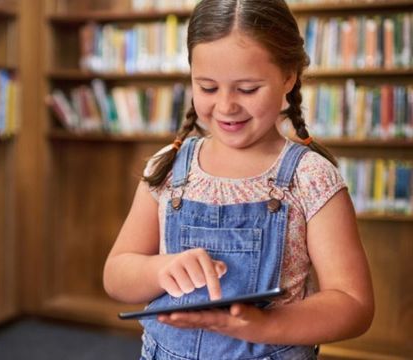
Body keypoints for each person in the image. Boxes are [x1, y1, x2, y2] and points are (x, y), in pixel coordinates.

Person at [102, 0, 374, 359]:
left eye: (247, 89)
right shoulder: (169, 168)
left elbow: (354, 304)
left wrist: (265, 326)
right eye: (208, 88)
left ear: (288, 77)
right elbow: (116, 275)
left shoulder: (311, 178)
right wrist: (159, 269)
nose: (227, 106)